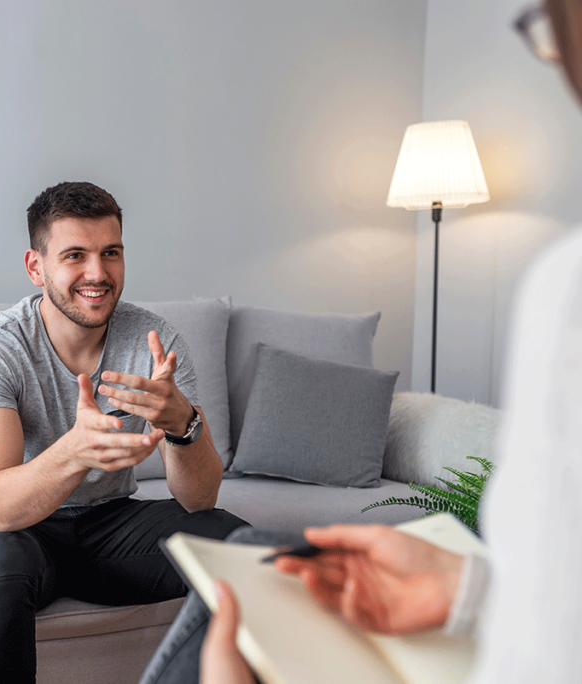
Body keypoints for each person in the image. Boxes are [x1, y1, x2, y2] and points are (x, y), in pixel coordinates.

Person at [186, 1, 582, 682]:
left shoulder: (566, 290)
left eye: (554, 28)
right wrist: (469, 590)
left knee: (243, 564)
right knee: (253, 550)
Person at [0, 181, 247, 684]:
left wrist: (181, 424)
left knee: (240, 547)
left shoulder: (156, 342)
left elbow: (199, 500)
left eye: (111, 253)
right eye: (75, 255)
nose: (97, 273)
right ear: (35, 267)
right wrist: (75, 451)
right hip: (14, 530)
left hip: (107, 525)